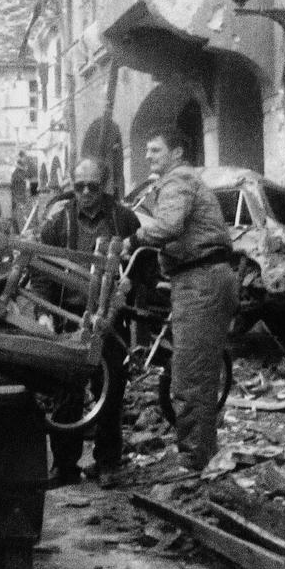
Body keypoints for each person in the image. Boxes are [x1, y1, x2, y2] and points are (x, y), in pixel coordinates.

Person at [134, 130, 238, 472]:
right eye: (147, 150)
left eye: (156, 149)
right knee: (197, 373)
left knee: (190, 377)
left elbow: (169, 226)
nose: (149, 156)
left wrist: (132, 236)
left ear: (177, 152)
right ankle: (201, 454)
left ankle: (194, 463)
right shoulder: (180, 180)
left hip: (201, 279)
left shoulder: (178, 179)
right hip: (199, 277)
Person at [35, 157, 140, 488]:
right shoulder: (59, 222)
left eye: (92, 186)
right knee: (66, 394)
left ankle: (107, 463)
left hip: (109, 321)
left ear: (103, 185)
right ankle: (65, 466)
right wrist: (44, 314)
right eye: (78, 186)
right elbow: (41, 268)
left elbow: (143, 260)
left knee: (110, 393)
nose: (85, 193)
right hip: (69, 318)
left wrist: (130, 286)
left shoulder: (122, 218)